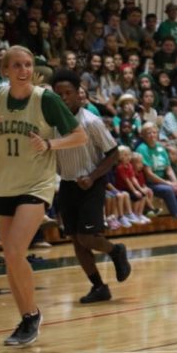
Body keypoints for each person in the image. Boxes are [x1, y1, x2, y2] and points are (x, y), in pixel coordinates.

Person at [0, 46, 88, 347]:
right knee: (12, 258)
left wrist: (49, 144)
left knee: (12, 250)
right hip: (4, 183)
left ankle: (31, 315)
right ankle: (28, 317)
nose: (23, 69)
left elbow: (79, 135)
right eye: (17, 65)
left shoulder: (45, 99)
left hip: (37, 185)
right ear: (5, 71)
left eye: (28, 64)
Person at [51, 69, 132, 304]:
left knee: (87, 237)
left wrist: (93, 176)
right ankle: (99, 287)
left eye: (68, 92)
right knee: (76, 241)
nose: (64, 97)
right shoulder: (53, 122)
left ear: (79, 94)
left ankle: (115, 250)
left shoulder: (91, 121)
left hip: (92, 184)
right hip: (67, 185)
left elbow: (113, 153)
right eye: (59, 93)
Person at [136, 123, 177, 232]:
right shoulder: (142, 149)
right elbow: (149, 174)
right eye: (148, 133)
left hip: (163, 180)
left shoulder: (160, 147)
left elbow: (168, 169)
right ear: (143, 135)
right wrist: (169, 184)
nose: (152, 135)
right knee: (168, 190)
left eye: (154, 132)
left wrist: (174, 182)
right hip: (150, 183)